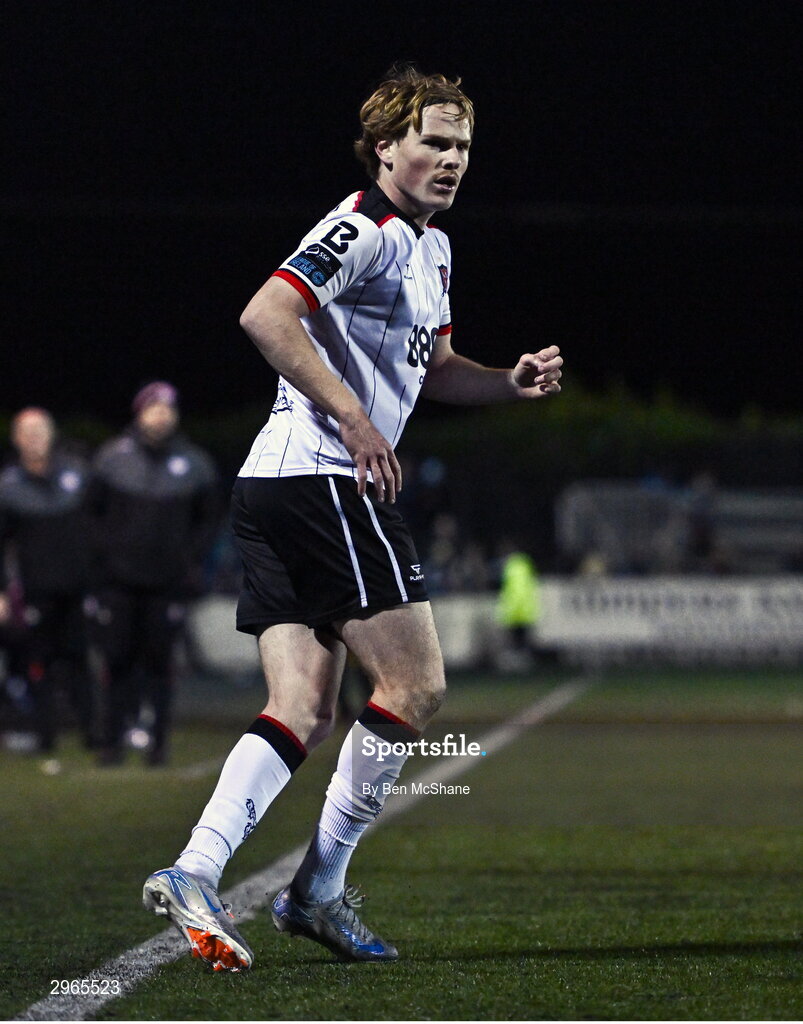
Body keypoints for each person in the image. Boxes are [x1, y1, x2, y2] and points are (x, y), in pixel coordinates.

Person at [143, 66, 563, 971]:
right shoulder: (362, 227)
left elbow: (436, 368)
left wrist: (505, 382)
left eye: (461, 147)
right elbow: (267, 313)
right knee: (414, 690)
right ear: (385, 148)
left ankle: (195, 868)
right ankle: (318, 892)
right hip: (321, 481)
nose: (451, 161)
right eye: (433, 143)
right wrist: (352, 414)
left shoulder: (433, 248)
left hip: (277, 484)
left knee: (300, 705)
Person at [88, 382, 219, 765]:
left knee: (161, 665)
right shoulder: (112, 458)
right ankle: (110, 743)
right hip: (119, 582)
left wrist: (189, 559)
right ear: (139, 412)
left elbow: (209, 519)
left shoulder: (194, 463)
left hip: (168, 584)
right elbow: (90, 515)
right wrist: (106, 558)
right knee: (117, 661)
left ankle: (158, 745)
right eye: (154, 407)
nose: (161, 415)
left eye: (168, 408)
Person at [0, 408, 94, 753]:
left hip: (79, 587)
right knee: (38, 664)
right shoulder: (8, 486)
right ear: (16, 438)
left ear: (52, 434)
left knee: (80, 659)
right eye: (28, 431)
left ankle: (92, 732)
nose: (35, 437)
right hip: (35, 590)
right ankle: (45, 736)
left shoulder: (78, 474)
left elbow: (99, 525)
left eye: (41, 430)